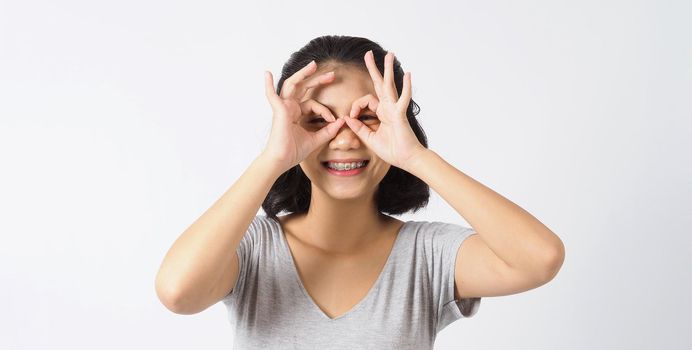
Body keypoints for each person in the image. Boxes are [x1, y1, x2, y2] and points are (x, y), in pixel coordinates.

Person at [155, 35, 566, 349]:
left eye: (366, 118)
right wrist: (273, 158)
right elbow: (177, 293)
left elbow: (540, 259)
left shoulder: (427, 256)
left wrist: (416, 157)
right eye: (320, 122)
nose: (345, 139)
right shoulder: (253, 247)